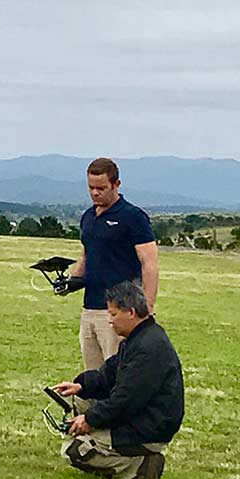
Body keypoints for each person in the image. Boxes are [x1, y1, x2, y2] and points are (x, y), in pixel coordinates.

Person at [50, 281, 183, 479]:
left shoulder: (149, 348)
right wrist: (81, 386)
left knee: (75, 451)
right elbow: (109, 374)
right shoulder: (136, 339)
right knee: (78, 400)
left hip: (148, 427)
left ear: (130, 312)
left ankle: (141, 467)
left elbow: (126, 401)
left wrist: (90, 420)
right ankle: (111, 447)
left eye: (113, 314)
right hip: (135, 416)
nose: (110, 321)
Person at [59, 158, 159, 372]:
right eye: (91, 188)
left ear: (116, 184)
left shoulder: (133, 217)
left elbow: (149, 263)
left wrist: (147, 308)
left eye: (101, 188)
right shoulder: (88, 217)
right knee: (93, 376)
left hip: (119, 310)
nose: (95, 193)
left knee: (118, 375)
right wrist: (69, 282)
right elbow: (87, 256)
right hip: (90, 308)